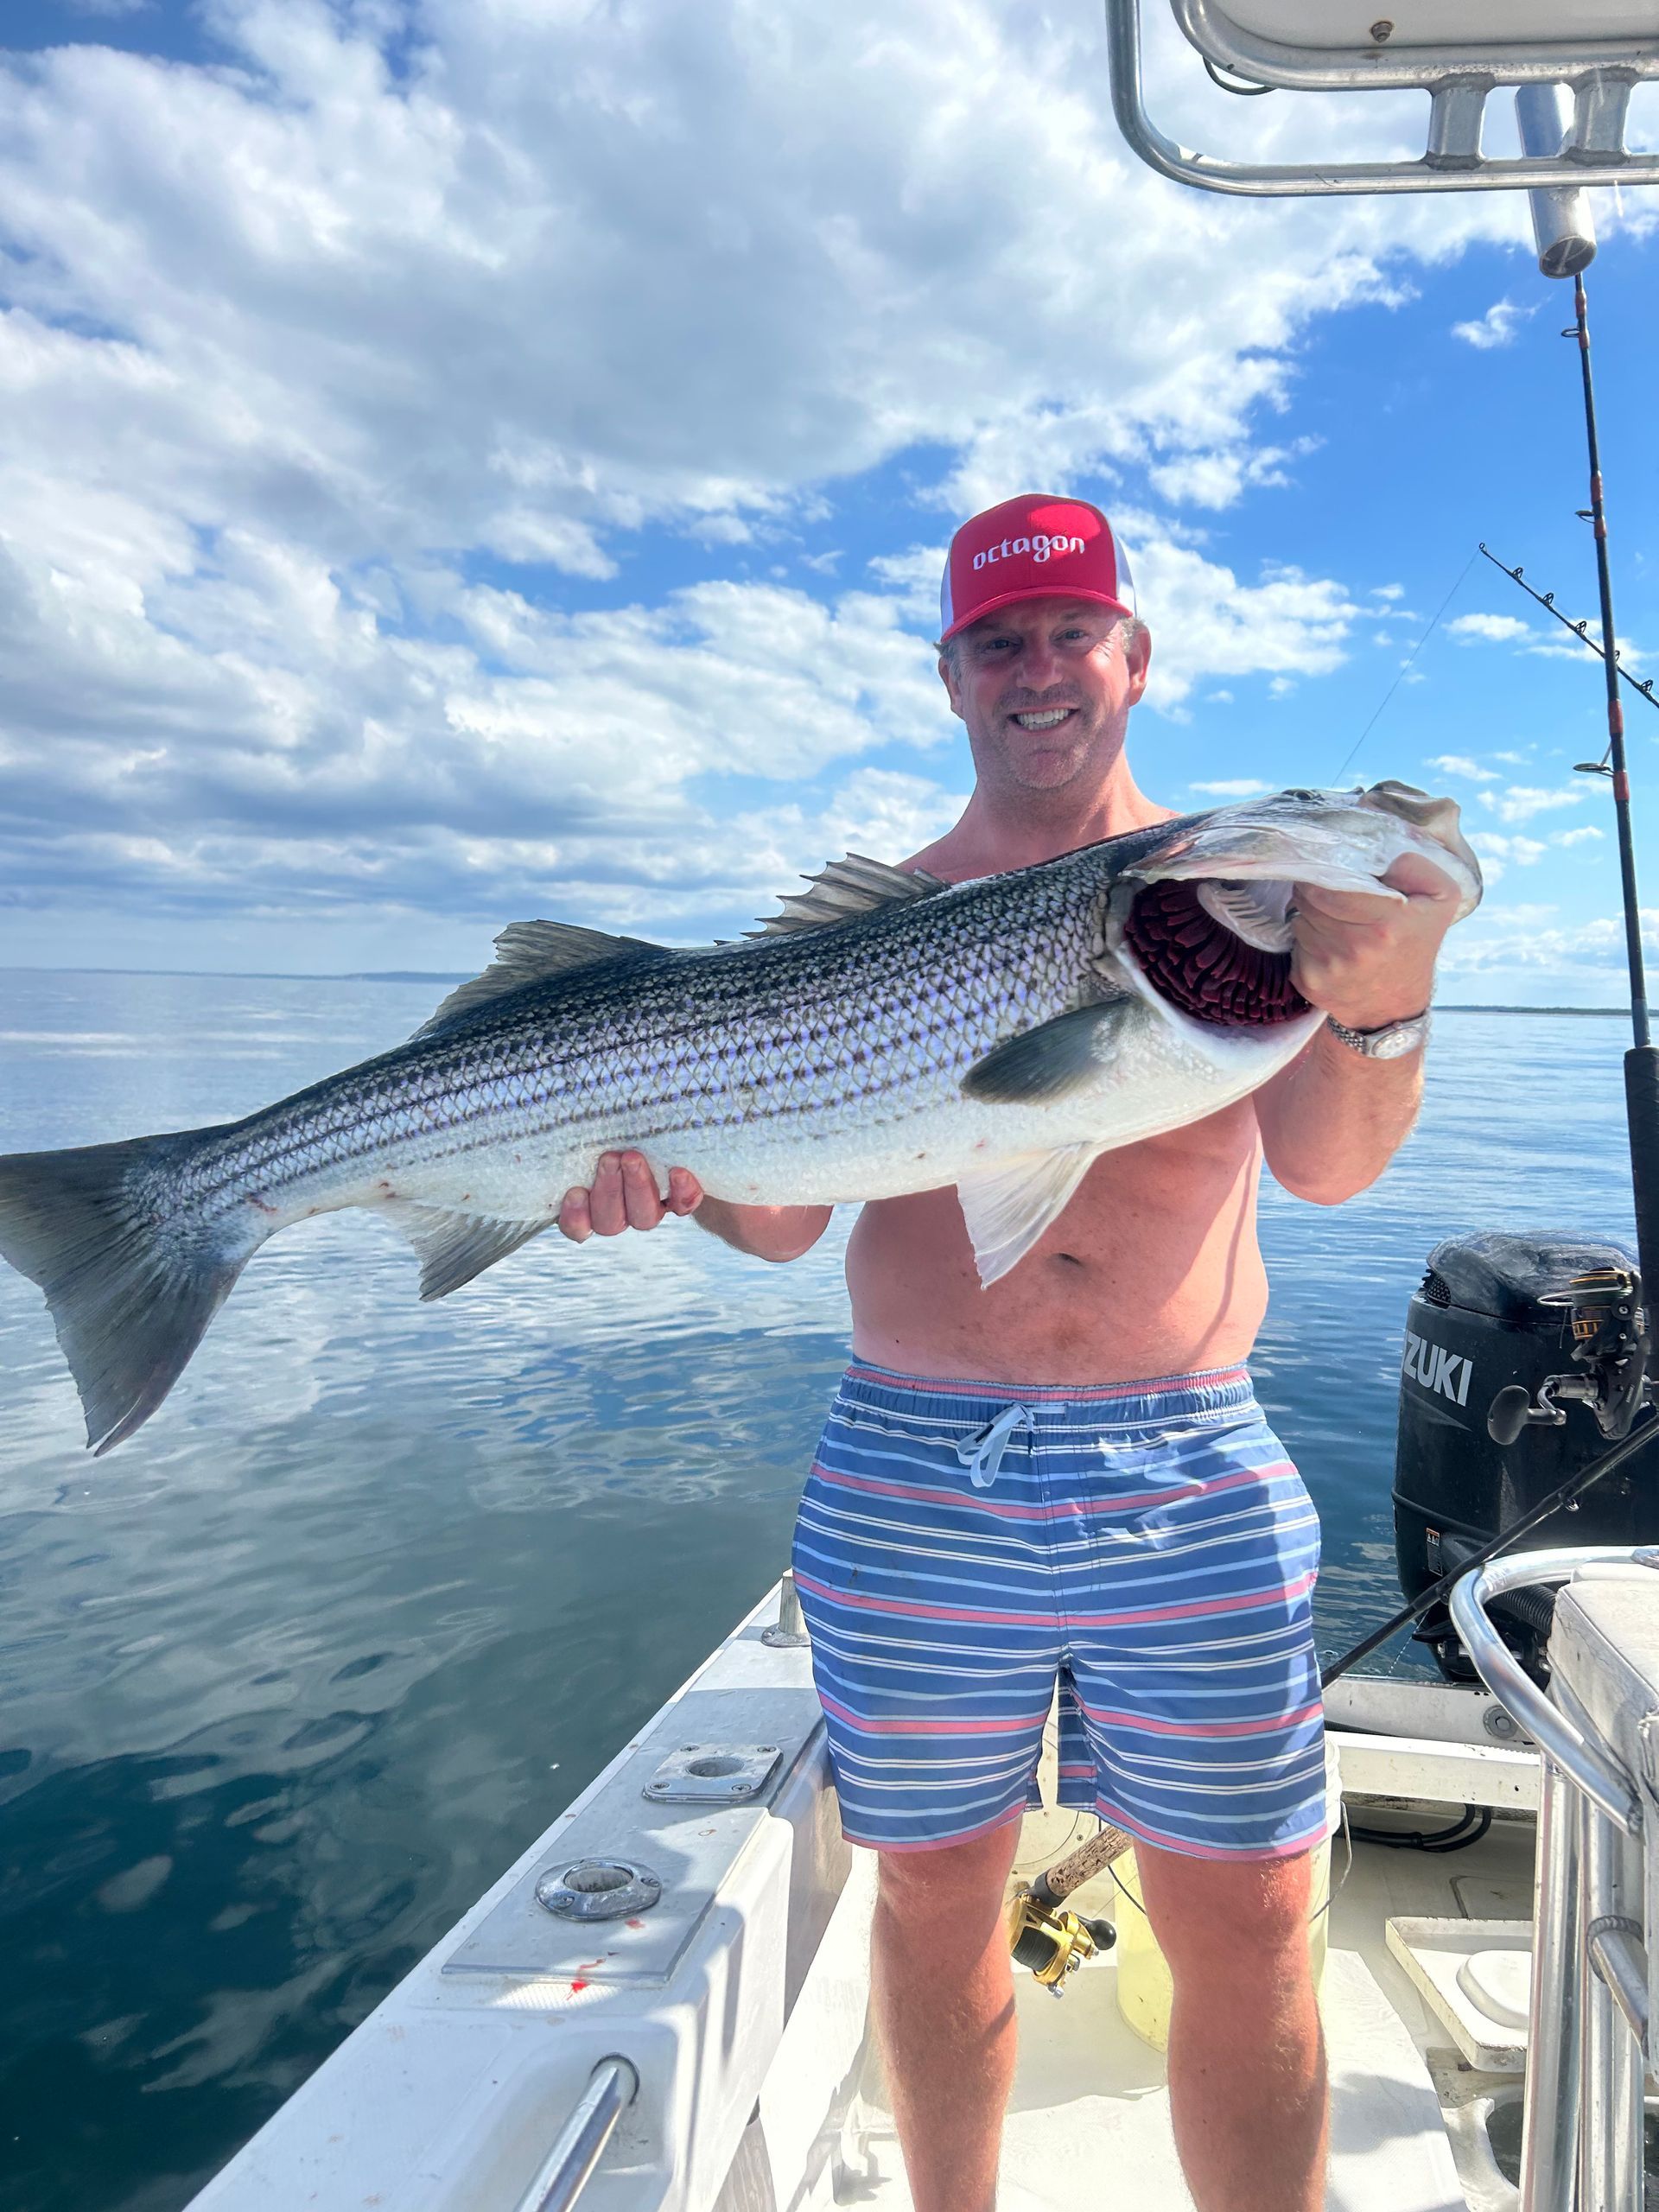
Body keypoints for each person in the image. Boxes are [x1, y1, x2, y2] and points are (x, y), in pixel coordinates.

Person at [556, 493, 1466, 2212]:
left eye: (1069, 632)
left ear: (1134, 655)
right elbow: (781, 1218)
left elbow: (1333, 1165)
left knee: (1261, 1915)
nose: (1036, 669)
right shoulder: (868, 916)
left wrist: (1386, 994)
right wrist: (666, 1178)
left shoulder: (1231, 898)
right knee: (931, 1892)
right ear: (950, 676)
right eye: (997, 641)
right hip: (914, 1462)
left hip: (1187, 1455)